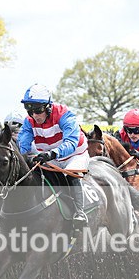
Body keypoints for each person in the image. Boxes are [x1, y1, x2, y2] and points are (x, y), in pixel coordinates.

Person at [17, 83, 89, 225]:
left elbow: (71, 142)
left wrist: (53, 154)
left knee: (70, 172)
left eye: (38, 110)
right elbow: (23, 145)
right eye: (29, 110)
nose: (34, 115)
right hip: (50, 156)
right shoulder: (29, 122)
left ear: (48, 107)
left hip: (74, 155)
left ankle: (80, 212)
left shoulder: (65, 115)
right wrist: (24, 157)